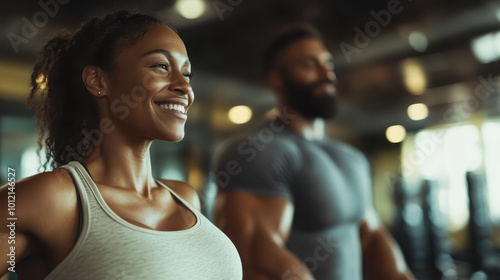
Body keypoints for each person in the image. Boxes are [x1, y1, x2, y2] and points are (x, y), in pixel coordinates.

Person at [0, 10, 242, 280]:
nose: (184, 87)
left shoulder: (185, 198)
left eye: (186, 73)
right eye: (160, 66)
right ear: (98, 80)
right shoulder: (50, 199)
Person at [212, 24, 414, 280]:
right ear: (277, 78)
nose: (326, 73)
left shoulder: (352, 158)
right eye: (309, 65)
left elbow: (371, 237)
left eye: (327, 64)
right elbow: (254, 261)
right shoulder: (256, 151)